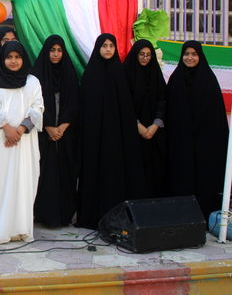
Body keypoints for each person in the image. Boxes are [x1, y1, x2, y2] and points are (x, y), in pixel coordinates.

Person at [0, 41, 44, 243]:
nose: (13, 61)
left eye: (17, 57)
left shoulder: (33, 82)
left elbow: (38, 108)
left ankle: (18, 228)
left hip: (23, 143)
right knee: (0, 183)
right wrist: (8, 129)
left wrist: (20, 129)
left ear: (23, 58)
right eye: (9, 57)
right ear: (2, 59)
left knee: (21, 183)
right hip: (0, 142)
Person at [77, 34, 146, 229]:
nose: (108, 49)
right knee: (94, 174)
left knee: (115, 175)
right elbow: (85, 110)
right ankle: (92, 216)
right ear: (98, 48)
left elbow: (127, 107)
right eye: (104, 45)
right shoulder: (90, 74)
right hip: (94, 138)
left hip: (117, 138)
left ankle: (116, 215)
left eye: (111, 46)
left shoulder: (120, 73)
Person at [166, 40, 228, 219]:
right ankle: (181, 215)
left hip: (204, 144)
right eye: (186, 54)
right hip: (180, 142)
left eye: (194, 54)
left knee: (204, 179)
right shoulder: (176, 79)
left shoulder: (208, 80)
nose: (190, 57)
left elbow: (216, 118)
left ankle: (204, 214)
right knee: (181, 178)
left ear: (200, 56)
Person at [31, 35, 79, 228]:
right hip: (43, 134)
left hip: (66, 135)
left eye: (59, 50)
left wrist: (63, 126)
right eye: (52, 50)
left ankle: (64, 214)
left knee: (65, 173)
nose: (56, 54)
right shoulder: (36, 76)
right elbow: (32, 104)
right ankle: (43, 214)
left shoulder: (69, 73)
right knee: (44, 174)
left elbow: (75, 102)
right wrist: (48, 126)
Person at [124, 39, 167, 197]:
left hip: (154, 133)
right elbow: (124, 103)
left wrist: (155, 125)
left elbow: (163, 100)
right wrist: (138, 126)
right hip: (133, 133)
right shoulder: (126, 75)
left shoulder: (155, 74)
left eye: (148, 55)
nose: (145, 58)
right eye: (141, 54)